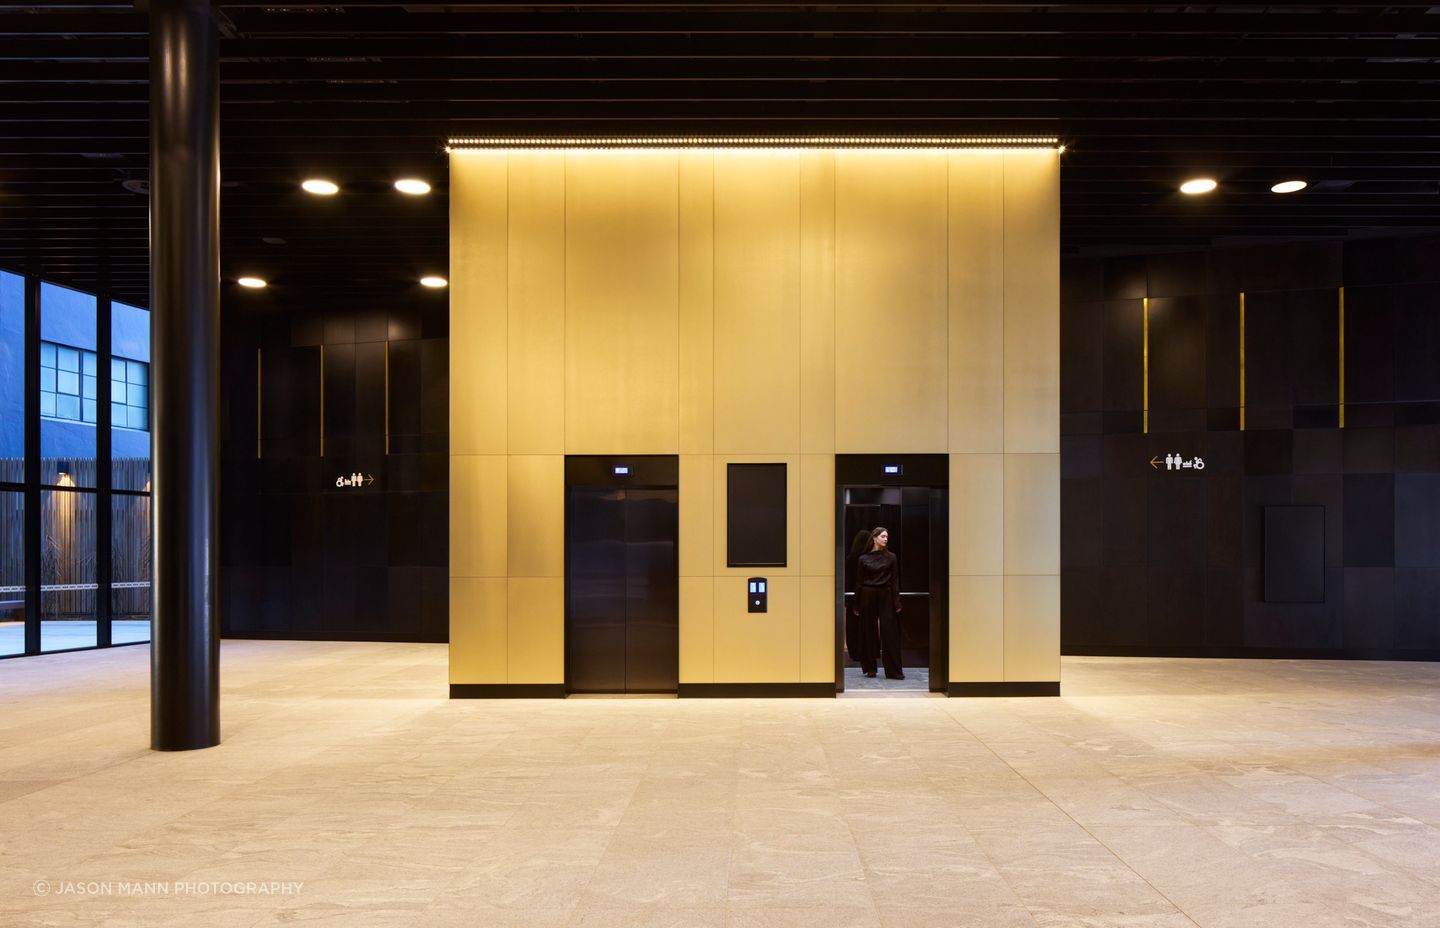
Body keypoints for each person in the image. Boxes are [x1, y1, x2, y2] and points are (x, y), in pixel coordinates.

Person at [852, 526, 903, 679]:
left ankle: (893, 670)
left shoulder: (891, 557)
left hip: (886, 594)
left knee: (889, 632)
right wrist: (856, 603)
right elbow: (859, 582)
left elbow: (894, 581)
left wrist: (897, 602)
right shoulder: (863, 559)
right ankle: (870, 668)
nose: (885, 539)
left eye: (887, 537)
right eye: (882, 536)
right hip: (867, 595)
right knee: (868, 630)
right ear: (874, 538)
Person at [843, 529, 871, 667]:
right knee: (865, 625)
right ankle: (866, 651)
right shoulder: (868, 559)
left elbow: (848, 581)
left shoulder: (849, 559)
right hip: (865, 595)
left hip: (851, 596)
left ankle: (854, 651)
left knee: (852, 625)